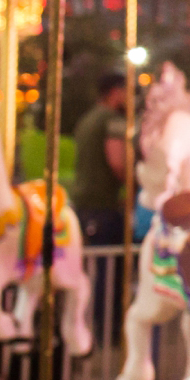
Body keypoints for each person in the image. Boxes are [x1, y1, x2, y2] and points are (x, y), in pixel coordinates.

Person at [69, 72, 131, 248]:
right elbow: (117, 162)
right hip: (103, 203)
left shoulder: (87, 118)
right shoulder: (112, 120)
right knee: (107, 267)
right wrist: (132, 186)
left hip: (83, 200)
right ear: (115, 92)